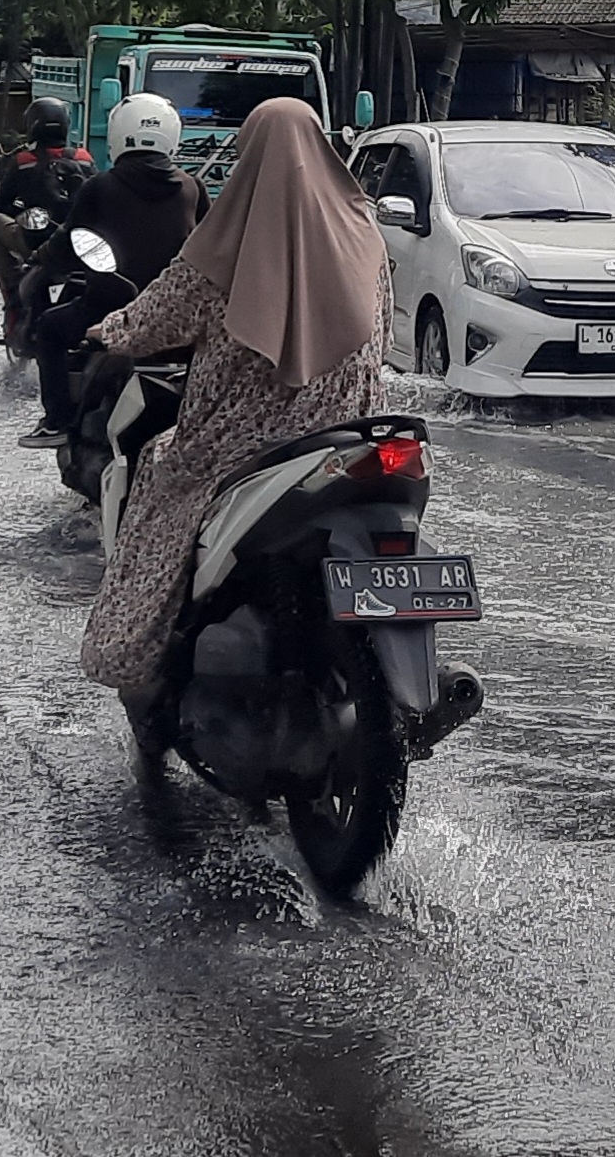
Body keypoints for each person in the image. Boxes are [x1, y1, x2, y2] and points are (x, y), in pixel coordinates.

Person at [76, 97, 390, 755]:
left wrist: (108, 330)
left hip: (242, 440)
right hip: (348, 437)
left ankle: (139, 656)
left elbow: (158, 316)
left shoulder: (230, 242)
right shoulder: (363, 230)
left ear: (249, 158)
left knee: (160, 480)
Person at [18, 93, 206, 448]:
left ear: (119, 133)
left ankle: (57, 421)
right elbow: (211, 244)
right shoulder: (191, 187)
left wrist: (40, 256)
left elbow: (68, 240)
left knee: (50, 329)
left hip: (111, 306)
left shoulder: (101, 185)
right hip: (173, 313)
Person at [0, 96, 91, 219]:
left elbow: (1, 201)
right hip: (81, 230)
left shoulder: (24, 161)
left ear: (32, 125)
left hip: (38, 231)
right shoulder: (82, 157)